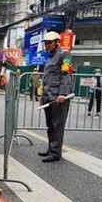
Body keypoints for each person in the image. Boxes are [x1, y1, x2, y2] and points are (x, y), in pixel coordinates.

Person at [38, 31, 74, 163]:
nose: (47, 45)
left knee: (57, 125)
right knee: (50, 126)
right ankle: (50, 149)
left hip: (59, 97)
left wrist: (63, 94)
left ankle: (55, 153)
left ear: (57, 42)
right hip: (49, 96)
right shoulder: (49, 58)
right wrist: (42, 97)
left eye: (49, 43)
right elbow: (47, 79)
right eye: (46, 43)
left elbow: (66, 75)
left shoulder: (64, 55)